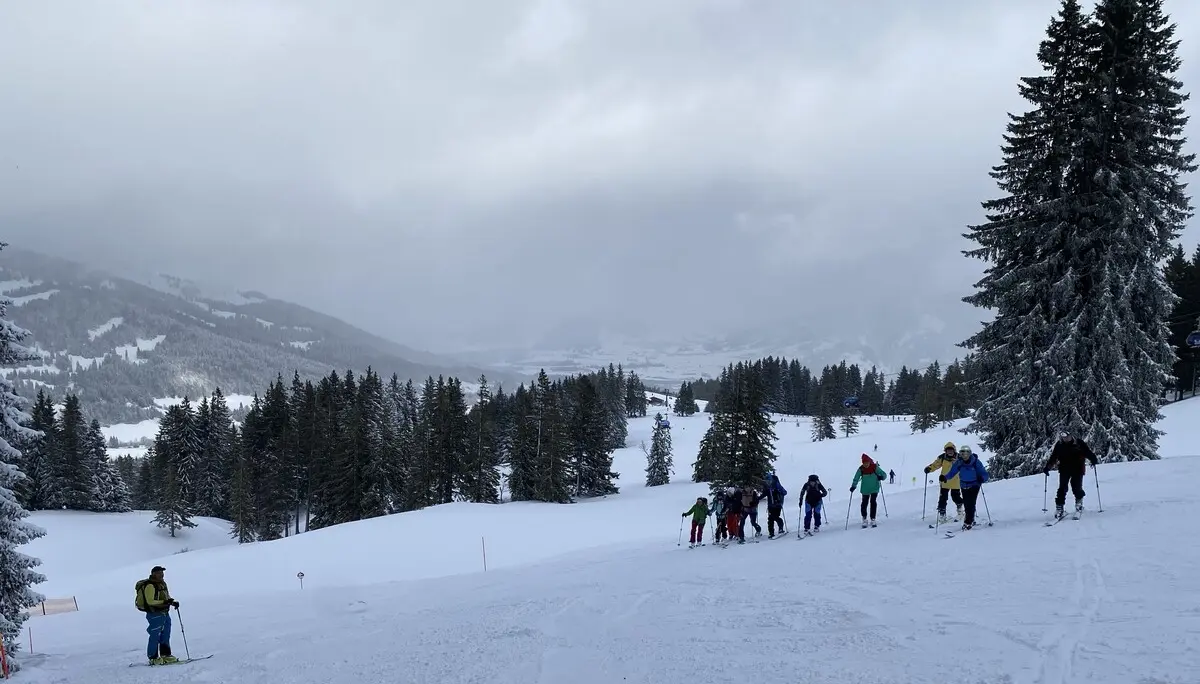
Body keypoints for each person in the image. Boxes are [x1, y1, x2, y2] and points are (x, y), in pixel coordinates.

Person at [1043, 431, 1098, 519]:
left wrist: (1093, 459)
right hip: (1064, 469)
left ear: (1070, 435)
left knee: (1077, 487)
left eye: (1066, 436)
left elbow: (1087, 452)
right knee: (1062, 488)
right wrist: (1047, 467)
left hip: (1078, 468)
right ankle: (1059, 508)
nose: (1064, 438)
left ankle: (1079, 505)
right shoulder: (1059, 444)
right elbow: (1054, 457)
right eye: (1062, 437)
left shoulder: (1079, 443)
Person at [136, 565, 180, 665]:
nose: (162, 574)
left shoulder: (162, 584)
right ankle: (153, 657)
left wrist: (172, 602)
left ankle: (166, 655)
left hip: (164, 612)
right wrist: (165, 601)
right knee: (155, 634)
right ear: (153, 574)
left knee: (166, 633)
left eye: (162, 572)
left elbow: (167, 596)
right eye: (159, 572)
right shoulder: (150, 585)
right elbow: (150, 601)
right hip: (154, 613)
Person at [942, 445, 989, 530]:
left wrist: (982, 478)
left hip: (975, 485)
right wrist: (945, 477)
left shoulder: (976, 462)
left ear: (970, 454)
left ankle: (968, 522)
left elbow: (984, 474)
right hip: (963, 485)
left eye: (966, 454)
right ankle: (971, 519)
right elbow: (952, 472)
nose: (965, 456)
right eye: (962, 454)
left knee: (970, 503)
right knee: (967, 503)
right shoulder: (959, 463)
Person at [925, 442, 964, 523]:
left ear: (954, 450)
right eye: (948, 450)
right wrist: (929, 468)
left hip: (956, 481)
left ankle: (960, 511)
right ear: (945, 451)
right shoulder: (942, 457)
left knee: (955, 497)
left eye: (951, 450)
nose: (950, 452)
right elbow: (936, 465)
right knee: (943, 498)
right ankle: (942, 514)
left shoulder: (959, 457)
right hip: (944, 481)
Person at [851, 454, 886, 528]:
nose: (866, 464)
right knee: (864, 503)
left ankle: (873, 518)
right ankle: (864, 518)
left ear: (869, 462)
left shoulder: (874, 467)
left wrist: (881, 477)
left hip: (874, 488)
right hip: (865, 489)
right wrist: (853, 486)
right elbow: (856, 477)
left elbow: (884, 474)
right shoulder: (861, 469)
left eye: (867, 463)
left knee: (873, 502)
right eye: (864, 463)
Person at [761, 471, 788, 538]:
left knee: (776, 517)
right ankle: (771, 533)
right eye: (766, 481)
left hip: (778, 505)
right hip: (770, 505)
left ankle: (781, 528)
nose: (767, 482)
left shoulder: (776, 484)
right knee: (770, 519)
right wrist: (756, 499)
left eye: (768, 480)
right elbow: (764, 494)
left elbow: (784, 492)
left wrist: (778, 492)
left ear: (771, 479)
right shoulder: (767, 487)